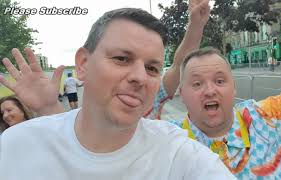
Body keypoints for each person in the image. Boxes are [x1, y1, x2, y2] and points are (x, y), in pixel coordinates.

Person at [0, 6, 235, 180]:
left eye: (152, 68)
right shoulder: (15, 145)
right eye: (122, 59)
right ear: (82, 64)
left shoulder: (177, 154)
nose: (140, 77)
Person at [165, 47, 281, 179]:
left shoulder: (266, 117)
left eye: (219, 81)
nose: (210, 91)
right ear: (181, 93)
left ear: (234, 87)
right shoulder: (167, 142)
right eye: (197, 84)